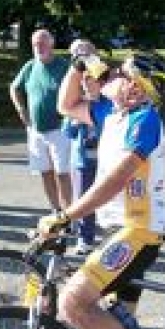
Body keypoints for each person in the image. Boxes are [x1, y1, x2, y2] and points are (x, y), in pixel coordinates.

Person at [37, 52, 165, 329]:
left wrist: (66, 215)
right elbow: (66, 104)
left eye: (120, 74)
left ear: (135, 88)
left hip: (139, 230)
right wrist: (78, 64)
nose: (111, 76)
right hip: (120, 230)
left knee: (73, 302)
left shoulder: (145, 120)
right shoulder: (110, 115)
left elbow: (116, 180)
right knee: (117, 319)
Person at [10, 29, 72, 214]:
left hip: (60, 128)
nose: (39, 47)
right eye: (35, 44)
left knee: (62, 173)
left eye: (43, 43)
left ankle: (69, 214)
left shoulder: (63, 66)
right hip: (36, 130)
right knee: (45, 172)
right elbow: (14, 88)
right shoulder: (30, 66)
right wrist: (21, 109)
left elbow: (77, 90)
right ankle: (55, 210)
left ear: (52, 44)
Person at [62, 39, 106, 255]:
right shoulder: (76, 99)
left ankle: (109, 238)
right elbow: (67, 132)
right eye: (85, 79)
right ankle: (85, 238)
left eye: (91, 79)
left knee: (107, 197)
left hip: (106, 157)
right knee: (82, 198)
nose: (88, 82)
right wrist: (74, 122)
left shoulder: (108, 98)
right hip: (82, 158)